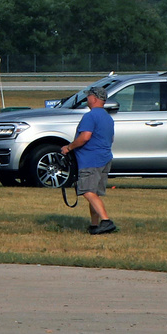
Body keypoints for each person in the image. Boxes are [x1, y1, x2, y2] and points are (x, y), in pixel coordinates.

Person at [63, 85, 117, 234]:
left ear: (94, 98)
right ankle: (94, 225)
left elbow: (85, 137)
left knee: (87, 191)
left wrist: (69, 147)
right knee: (94, 193)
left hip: (90, 160)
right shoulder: (108, 117)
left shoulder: (90, 116)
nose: (87, 99)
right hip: (105, 158)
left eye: (88, 96)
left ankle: (106, 221)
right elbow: (110, 138)